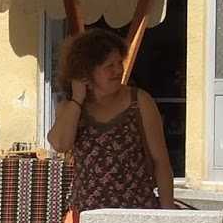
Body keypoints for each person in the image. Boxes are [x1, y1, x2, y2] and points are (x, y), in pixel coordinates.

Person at [46, 28, 175, 212]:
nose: (118, 70)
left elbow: (160, 161)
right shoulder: (71, 107)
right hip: (88, 215)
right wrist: (77, 99)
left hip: (136, 211)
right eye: (109, 66)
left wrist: (168, 211)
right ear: (86, 72)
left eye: (119, 63)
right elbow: (60, 144)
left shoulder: (139, 101)